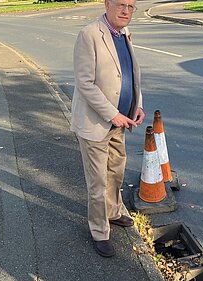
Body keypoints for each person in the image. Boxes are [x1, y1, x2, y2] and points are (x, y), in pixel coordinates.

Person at [71, 0, 145, 257]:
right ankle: (99, 231)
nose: (126, 11)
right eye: (121, 4)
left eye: (131, 6)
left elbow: (130, 74)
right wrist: (113, 114)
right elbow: (85, 83)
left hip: (121, 122)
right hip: (95, 124)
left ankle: (113, 212)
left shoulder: (124, 34)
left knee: (116, 172)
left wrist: (137, 104)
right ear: (107, 4)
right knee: (98, 181)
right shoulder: (90, 34)